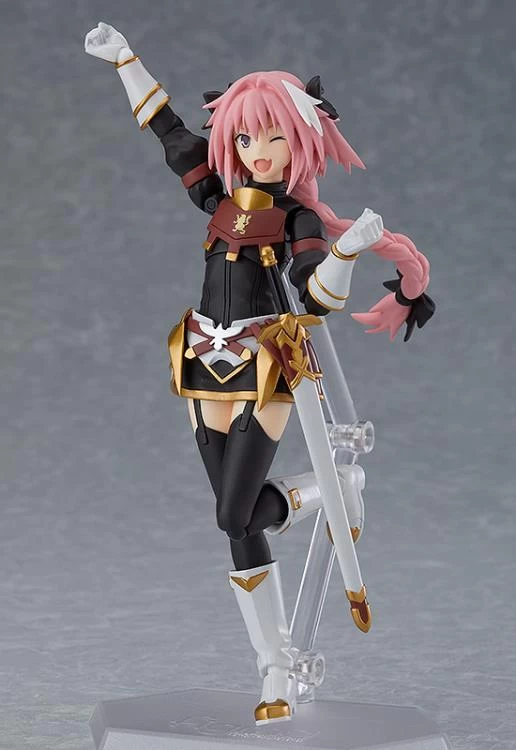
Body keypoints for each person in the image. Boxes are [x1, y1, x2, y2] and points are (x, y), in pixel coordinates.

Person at [84, 22, 435, 725]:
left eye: (274, 137)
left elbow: (316, 299)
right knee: (235, 522)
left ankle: (328, 493)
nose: (259, 150)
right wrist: (125, 58)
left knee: (232, 512)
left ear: (301, 140)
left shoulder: (299, 216)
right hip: (199, 354)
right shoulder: (217, 196)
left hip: (266, 360)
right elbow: (166, 128)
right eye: (246, 137)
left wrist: (347, 253)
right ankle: (274, 660)